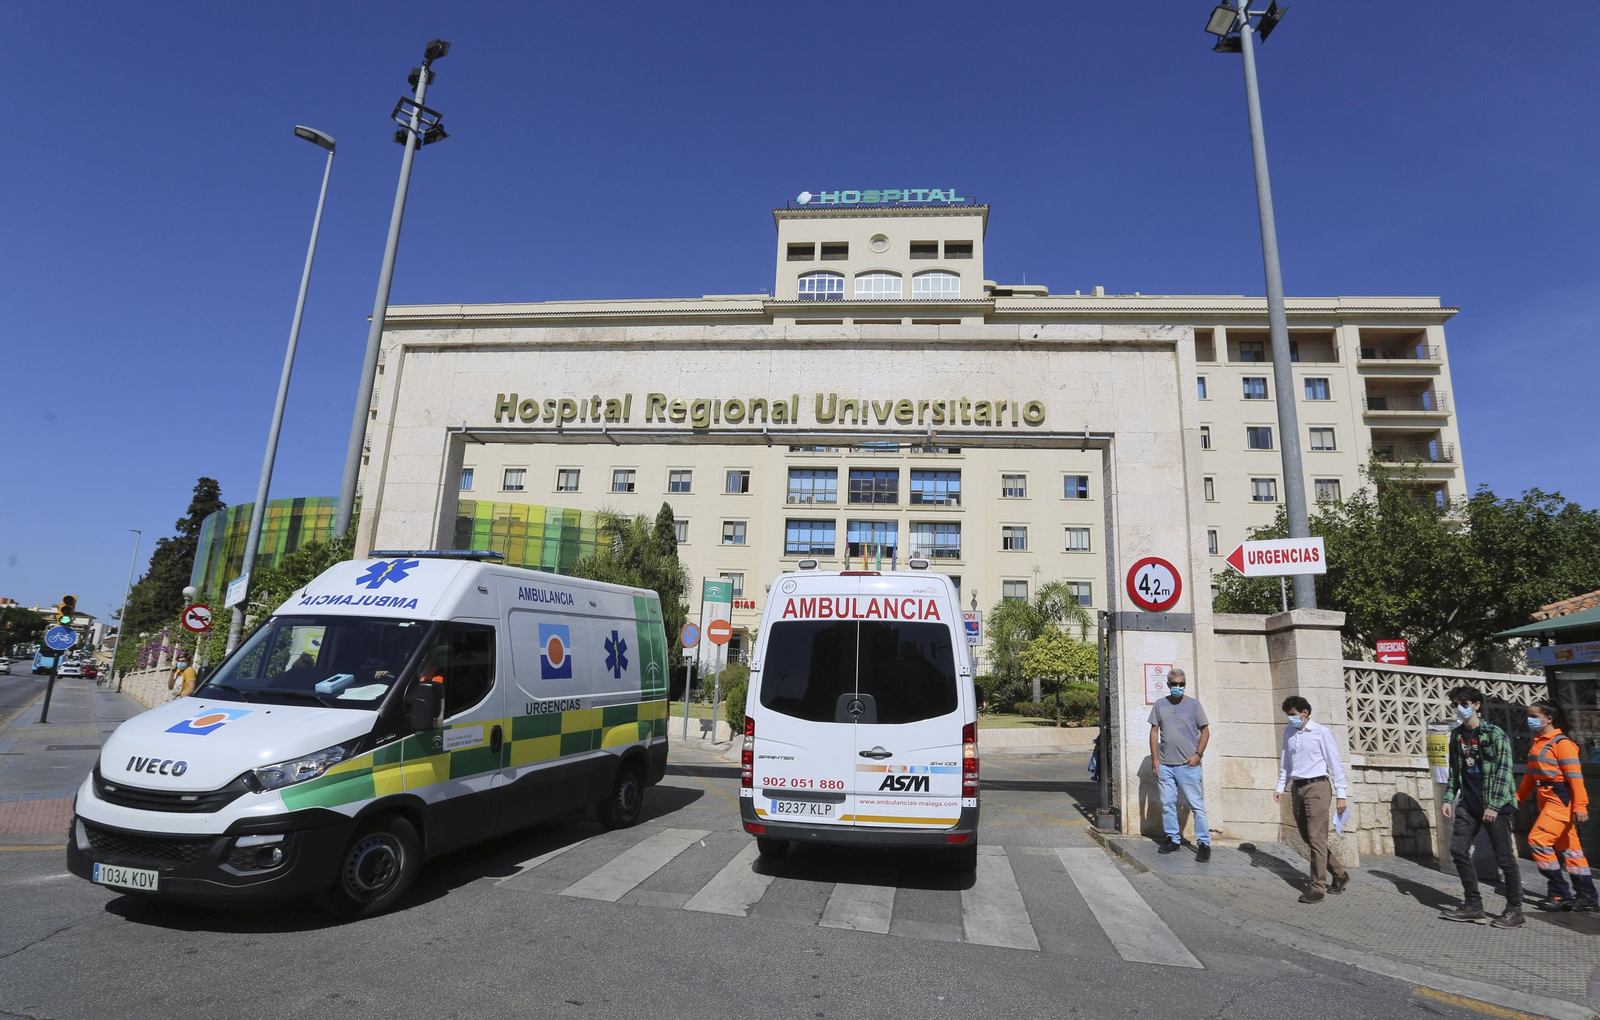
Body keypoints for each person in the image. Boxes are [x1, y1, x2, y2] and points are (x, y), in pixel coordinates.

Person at [1436, 686, 1523, 927]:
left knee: (1504, 858)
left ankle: (1515, 910)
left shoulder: (1495, 734)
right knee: (1458, 850)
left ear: (1476, 705)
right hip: (1468, 803)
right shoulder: (1457, 735)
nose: (1458, 708)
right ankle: (1473, 904)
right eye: (1455, 704)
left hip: (1495, 803)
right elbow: (1455, 770)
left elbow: (1505, 773)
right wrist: (1448, 798)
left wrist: (1493, 806)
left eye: (1463, 703)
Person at [1274, 696, 1351, 904]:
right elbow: (1286, 763)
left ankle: (1317, 887)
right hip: (1298, 787)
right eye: (1288, 716)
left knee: (1317, 838)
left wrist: (1341, 795)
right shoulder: (1289, 733)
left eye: (1292, 715)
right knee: (1308, 837)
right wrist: (1281, 786)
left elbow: (1336, 765)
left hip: (1318, 787)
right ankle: (1340, 873)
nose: (1290, 719)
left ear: (1304, 713)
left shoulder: (1322, 733)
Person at [1520, 699, 1596, 912]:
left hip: (1558, 799)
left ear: (1548, 718)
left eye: (1534, 716)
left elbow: (1575, 778)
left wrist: (1581, 806)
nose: (1530, 720)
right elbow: (1529, 776)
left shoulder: (1562, 744)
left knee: (1538, 840)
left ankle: (1560, 893)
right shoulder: (1539, 743)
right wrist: (1516, 799)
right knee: (1572, 851)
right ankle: (1587, 897)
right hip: (1547, 798)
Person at [1148, 667, 1211, 861]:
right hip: (1166, 765)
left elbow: (1205, 731)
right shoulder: (1160, 705)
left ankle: (1204, 843)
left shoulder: (1194, 705)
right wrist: (1155, 760)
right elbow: (1154, 731)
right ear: (1168, 685)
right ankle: (1172, 839)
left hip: (1188, 766)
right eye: (1174, 684)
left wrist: (1198, 755)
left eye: (1181, 684)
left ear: (1185, 684)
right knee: (1167, 804)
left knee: (1196, 805)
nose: (1178, 687)